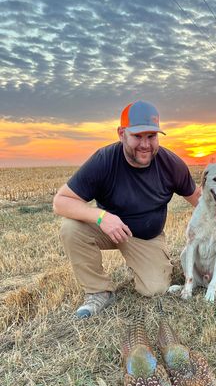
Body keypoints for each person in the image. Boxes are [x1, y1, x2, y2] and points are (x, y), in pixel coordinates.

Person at [53, 100, 200, 318]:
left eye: (151, 136)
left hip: (146, 237)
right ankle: (98, 291)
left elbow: (198, 198)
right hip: (108, 229)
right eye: (137, 136)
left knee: (155, 289)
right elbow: (61, 201)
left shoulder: (172, 165)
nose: (145, 144)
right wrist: (101, 217)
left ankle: (148, 263)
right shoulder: (103, 160)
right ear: (122, 134)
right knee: (71, 228)